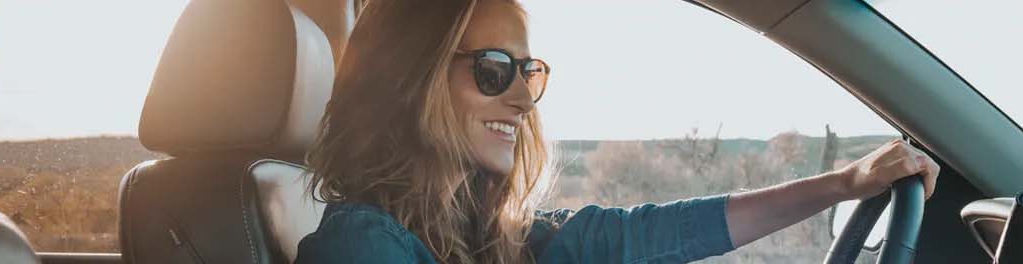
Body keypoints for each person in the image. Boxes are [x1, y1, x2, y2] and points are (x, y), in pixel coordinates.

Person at [294, 0, 940, 263]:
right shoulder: (361, 244)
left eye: (528, 71)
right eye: (494, 71)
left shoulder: (480, 236)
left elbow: (650, 232)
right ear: (414, 80)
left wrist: (844, 185)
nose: (523, 97)